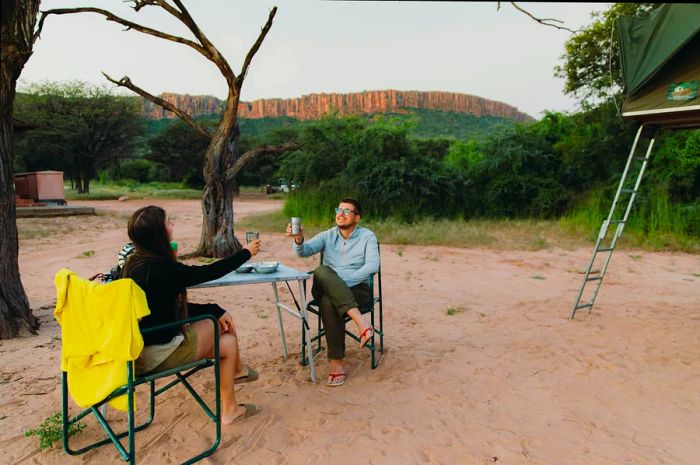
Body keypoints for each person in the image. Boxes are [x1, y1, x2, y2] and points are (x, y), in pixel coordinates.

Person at [120, 205, 261, 425]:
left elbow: (164, 308)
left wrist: (215, 309)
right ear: (159, 234)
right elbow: (209, 272)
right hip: (157, 355)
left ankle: (232, 399)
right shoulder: (162, 269)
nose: (172, 225)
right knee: (215, 325)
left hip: (133, 354)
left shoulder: (132, 265)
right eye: (168, 222)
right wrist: (246, 253)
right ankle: (235, 383)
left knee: (227, 343)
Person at [286, 197, 379, 387]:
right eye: (339, 209)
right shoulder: (327, 235)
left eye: (347, 211)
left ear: (357, 218)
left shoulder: (368, 237)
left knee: (329, 302)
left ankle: (337, 365)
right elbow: (303, 252)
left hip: (358, 290)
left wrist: (341, 284)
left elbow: (372, 265)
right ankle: (362, 323)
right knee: (322, 270)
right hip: (326, 285)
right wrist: (298, 239)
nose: (341, 214)